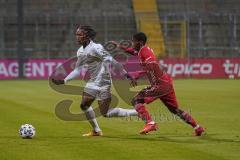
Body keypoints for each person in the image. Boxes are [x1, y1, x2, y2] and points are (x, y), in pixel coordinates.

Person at [52, 26, 138, 136]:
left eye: (79, 35)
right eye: (76, 35)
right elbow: (78, 69)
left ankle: (137, 112)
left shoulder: (96, 47)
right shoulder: (80, 51)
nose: (77, 37)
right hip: (93, 81)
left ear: (87, 36)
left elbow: (112, 61)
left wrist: (126, 74)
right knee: (84, 105)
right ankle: (96, 130)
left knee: (106, 113)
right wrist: (65, 81)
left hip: (104, 81)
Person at [113, 32, 205, 136]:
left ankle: (150, 123)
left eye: (134, 41)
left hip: (159, 85)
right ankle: (197, 128)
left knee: (136, 100)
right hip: (166, 83)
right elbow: (133, 51)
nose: (132, 43)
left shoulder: (145, 53)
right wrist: (120, 47)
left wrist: (137, 75)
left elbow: (152, 64)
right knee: (175, 110)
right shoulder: (142, 50)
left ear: (140, 42)